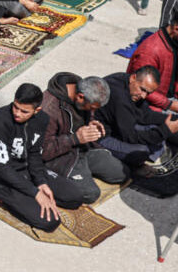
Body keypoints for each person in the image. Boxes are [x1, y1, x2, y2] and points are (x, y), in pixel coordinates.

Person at [0, 83, 72, 233]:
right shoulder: (0, 121)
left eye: (24, 111)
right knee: (50, 222)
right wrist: (35, 193)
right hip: (1, 179)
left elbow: (34, 153)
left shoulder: (42, 119)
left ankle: (30, 194)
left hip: (26, 171)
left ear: (37, 110)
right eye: (15, 107)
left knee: (74, 197)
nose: (17, 113)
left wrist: (40, 182)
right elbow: (2, 169)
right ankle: (4, 198)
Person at [40, 74, 127, 205]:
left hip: (82, 149)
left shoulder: (81, 91)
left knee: (122, 174)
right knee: (90, 194)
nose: (93, 111)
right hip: (59, 157)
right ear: (80, 97)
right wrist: (75, 139)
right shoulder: (49, 109)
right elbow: (42, 151)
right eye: (92, 108)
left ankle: (82, 172)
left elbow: (85, 117)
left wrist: (91, 123)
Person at [96, 67, 178, 175]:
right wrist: (165, 131)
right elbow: (130, 136)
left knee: (153, 130)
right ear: (133, 78)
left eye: (148, 93)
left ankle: (152, 153)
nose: (143, 96)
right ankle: (133, 165)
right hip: (102, 137)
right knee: (141, 151)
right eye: (142, 89)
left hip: (119, 125)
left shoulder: (129, 84)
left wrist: (173, 119)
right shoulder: (120, 97)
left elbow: (144, 115)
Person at [127, 9, 178, 113]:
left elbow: (177, 75)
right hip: (149, 105)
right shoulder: (150, 51)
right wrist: (169, 104)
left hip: (167, 98)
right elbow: (140, 88)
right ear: (177, 29)